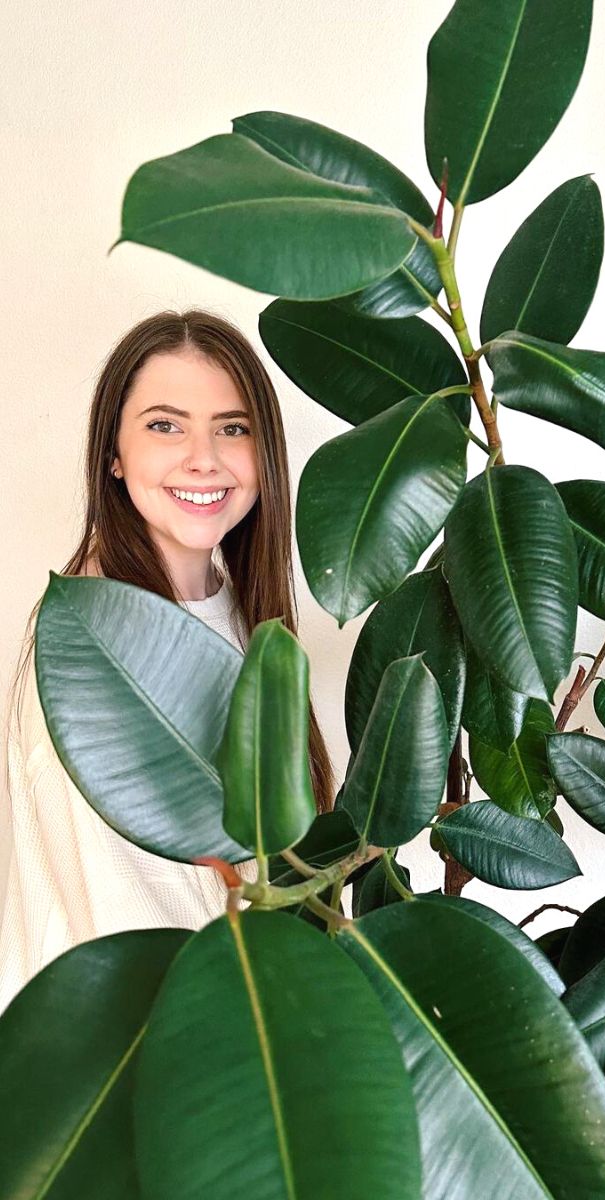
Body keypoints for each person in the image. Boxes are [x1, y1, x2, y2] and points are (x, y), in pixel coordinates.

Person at [0, 309, 335, 1011]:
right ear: (113, 455)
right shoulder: (93, 647)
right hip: (149, 1071)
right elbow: (128, 920)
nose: (203, 457)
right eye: (165, 424)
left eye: (232, 427)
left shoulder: (240, 607)